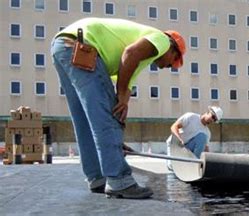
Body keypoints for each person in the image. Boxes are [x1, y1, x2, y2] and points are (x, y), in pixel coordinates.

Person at [50, 17, 186, 199]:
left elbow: (124, 83)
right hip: (84, 47)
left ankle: (97, 177)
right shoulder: (161, 40)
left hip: (63, 47)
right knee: (105, 116)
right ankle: (120, 181)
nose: (167, 67)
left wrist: (116, 139)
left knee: (85, 119)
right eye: (172, 62)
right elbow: (129, 54)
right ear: (172, 48)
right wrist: (113, 132)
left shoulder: (143, 55)